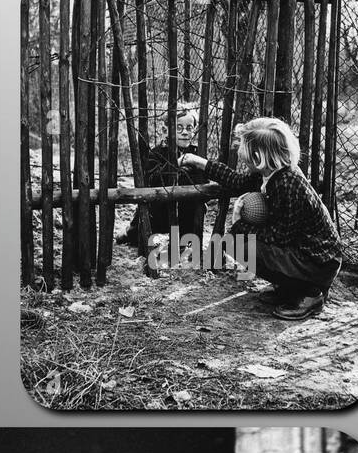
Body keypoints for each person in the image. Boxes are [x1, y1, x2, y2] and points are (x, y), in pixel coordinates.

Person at [180, 117, 343, 321]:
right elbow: (237, 181)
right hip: (306, 254)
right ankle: (290, 290)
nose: (242, 157)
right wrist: (199, 163)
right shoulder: (271, 171)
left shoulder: (287, 184)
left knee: (239, 244)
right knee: (238, 241)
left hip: (319, 262)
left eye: (245, 153)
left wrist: (240, 225)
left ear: (258, 156)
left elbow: (279, 237)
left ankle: (310, 294)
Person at [116, 105, 207, 261]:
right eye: (179, 128)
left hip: (186, 208)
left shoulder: (197, 153)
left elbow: (205, 183)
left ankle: (183, 242)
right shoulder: (157, 153)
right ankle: (132, 232)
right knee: (139, 228)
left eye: (189, 128)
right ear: (168, 131)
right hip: (160, 208)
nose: (185, 132)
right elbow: (152, 181)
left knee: (199, 207)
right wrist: (175, 165)